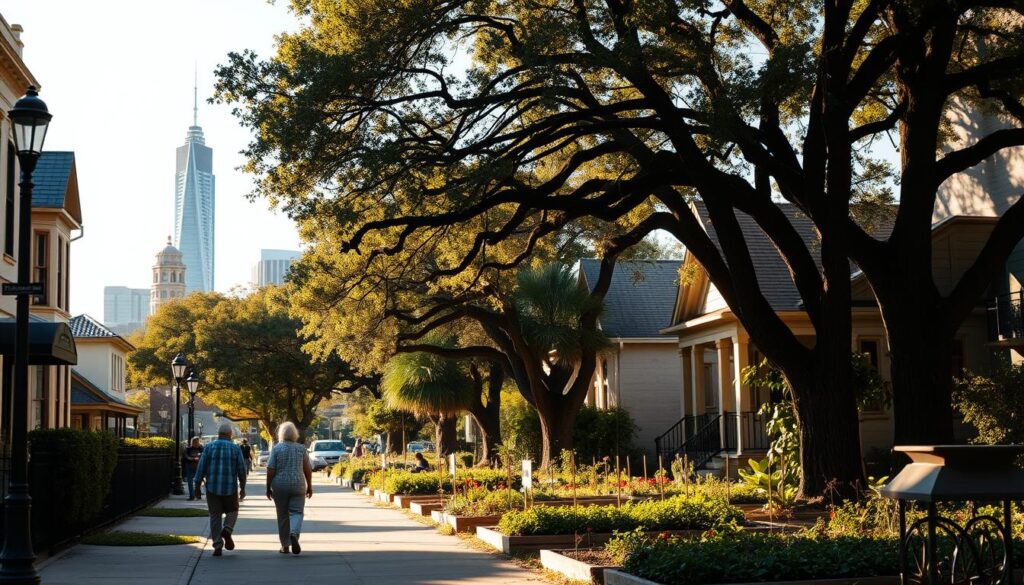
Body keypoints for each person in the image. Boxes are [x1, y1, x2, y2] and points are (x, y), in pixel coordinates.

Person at [194, 423, 248, 557]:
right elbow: (242, 470)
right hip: (230, 487)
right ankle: (228, 529)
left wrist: (197, 487)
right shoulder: (235, 448)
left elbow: (201, 468)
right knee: (233, 511)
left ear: (218, 434)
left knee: (215, 516)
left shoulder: (208, 447)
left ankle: (217, 545)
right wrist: (243, 487)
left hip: (212, 488)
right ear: (230, 434)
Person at [266, 422, 313, 555]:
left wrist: (268, 487)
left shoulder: (276, 449)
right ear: (295, 434)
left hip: (280, 485)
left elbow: (270, 469)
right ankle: (294, 533)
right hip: (298, 484)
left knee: (282, 516)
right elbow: (307, 469)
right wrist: (309, 485)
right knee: (297, 512)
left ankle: (285, 546)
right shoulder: (301, 449)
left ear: (280, 434)